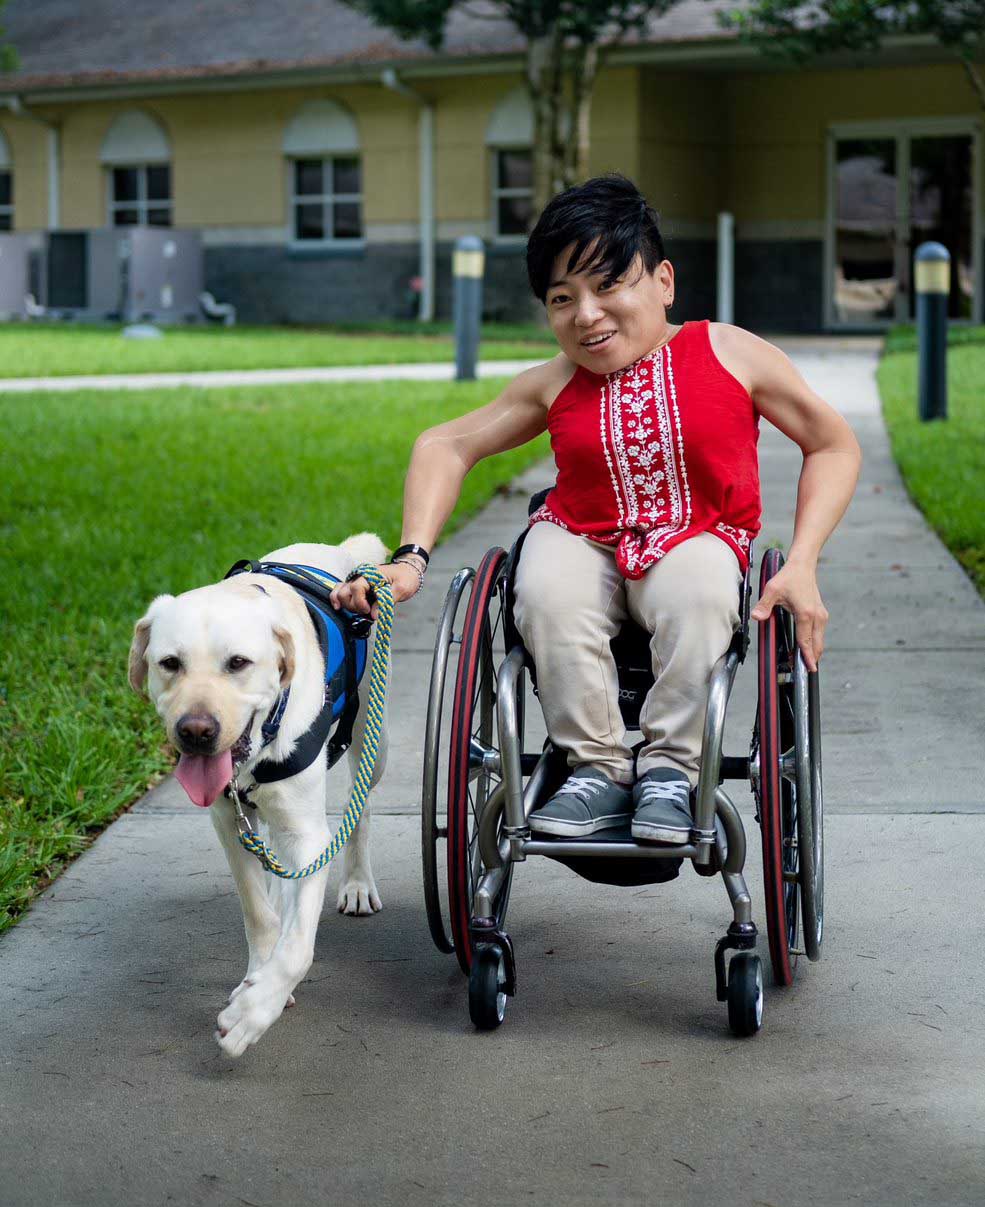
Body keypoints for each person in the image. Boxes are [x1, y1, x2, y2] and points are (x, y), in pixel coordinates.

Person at [331, 174, 861, 843]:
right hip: (579, 533)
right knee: (545, 589)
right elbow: (443, 445)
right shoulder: (555, 382)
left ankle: (671, 769)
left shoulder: (727, 352)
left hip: (694, 531)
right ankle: (595, 769)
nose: (585, 313)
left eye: (607, 284)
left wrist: (804, 561)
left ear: (662, 281)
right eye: (561, 297)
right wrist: (410, 558)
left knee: (700, 590)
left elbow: (832, 444)